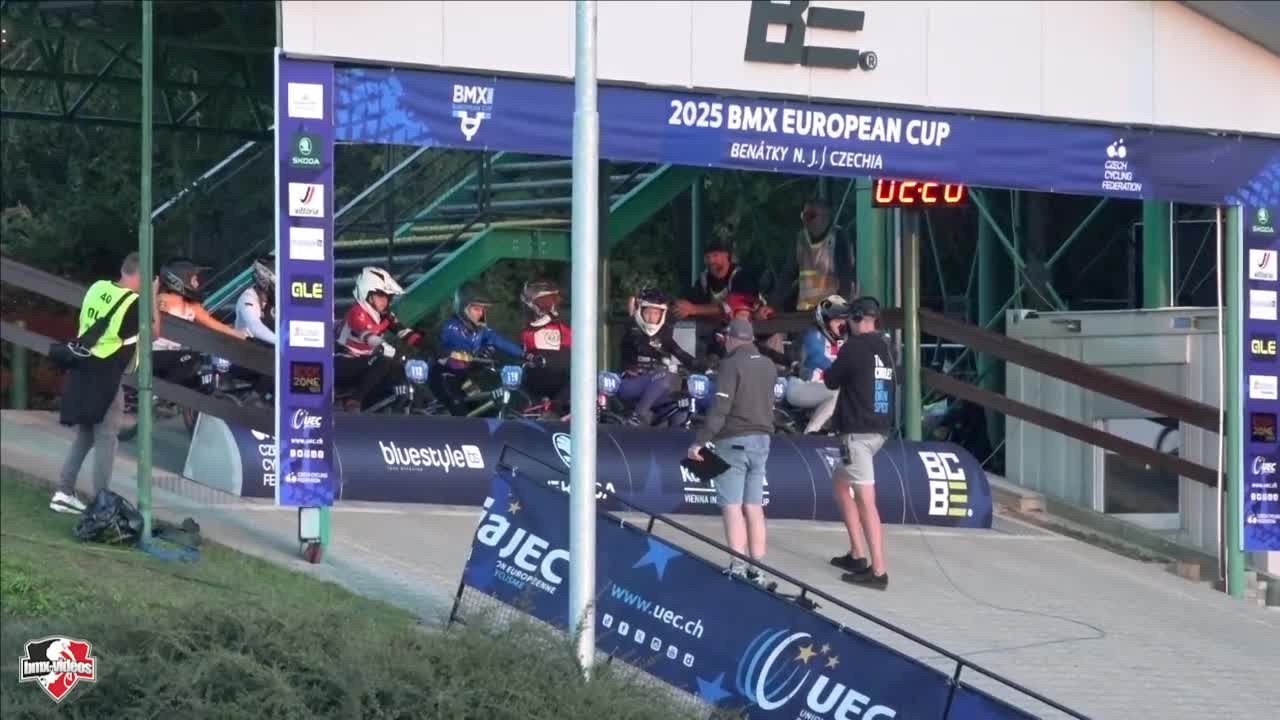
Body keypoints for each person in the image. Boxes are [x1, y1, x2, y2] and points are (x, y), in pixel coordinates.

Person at [53, 252, 159, 514]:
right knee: (107, 439)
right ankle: (102, 503)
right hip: (106, 375)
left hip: (82, 367)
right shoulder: (134, 303)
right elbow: (154, 333)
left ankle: (64, 492)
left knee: (87, 434)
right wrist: (153, 297)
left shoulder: (97, 287)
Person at [687, 317, 778, 586]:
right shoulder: (768, 365)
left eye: (726, 338)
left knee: (732, 506)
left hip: (734, 441)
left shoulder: (730, 364)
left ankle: (737, 566)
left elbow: (720, 409)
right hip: (762, 441)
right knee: (754, 506)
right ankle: (757, 569)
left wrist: (700, 442)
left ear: (731, 339)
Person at [822, 296, 895, 590]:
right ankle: (856, 553)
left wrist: (840, 349)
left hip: (857, 433)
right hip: (880, 429)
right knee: (841, 484)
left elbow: (831, 381)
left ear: (855, 319)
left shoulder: (853, 348)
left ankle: (878, 571)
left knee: (866, 500)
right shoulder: (887, 347)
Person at [335, 266, 423, 411]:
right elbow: (366, 335)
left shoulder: (385, 315)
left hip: (366, 364)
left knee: (400, 367)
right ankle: (354, 401)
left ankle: (403, 405)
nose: (385, 301)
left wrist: (427, 345)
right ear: (367, 295)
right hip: (342, 362)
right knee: (384, 359)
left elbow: (405, 333)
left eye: (387, 297)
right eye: (381, 295)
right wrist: (383, 345)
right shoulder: (356, 313)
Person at [153, 258, 248, 388]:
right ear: (180, 280)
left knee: (199, 365)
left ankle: (168, 395)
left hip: (174, 357)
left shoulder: (193, 306)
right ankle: (160, 393)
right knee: (191, 358)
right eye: (194, 280)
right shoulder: (159, 301)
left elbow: (216, 326)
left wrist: (242, 335)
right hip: (151, 355)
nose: (197, 284)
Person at [430, 283, 523, 416]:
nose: (481, 313)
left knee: (485, 409)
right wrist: (477, 354)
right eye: (476, 309)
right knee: (459, 412)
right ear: (463, 308)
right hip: (443, 378)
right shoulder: (451, 328)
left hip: (463, 378)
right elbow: (460, 353)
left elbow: (499, 341)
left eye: (483, 309)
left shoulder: (479, 329)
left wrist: (525, 355)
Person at [618, 288, 698, 426]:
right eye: (648, 312)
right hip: (632, 384)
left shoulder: (664, 334)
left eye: (656, 313)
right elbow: (636, 345)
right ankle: (638, 416)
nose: (651, 317)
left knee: (682, 401)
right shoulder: (632, 330)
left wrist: (704, 365)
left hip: (657, 389)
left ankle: (678, 436)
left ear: (662, 314)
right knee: (665, 374)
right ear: (640, 312)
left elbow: (680, 353)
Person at [769, 199, 856, 313]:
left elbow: (846, 278)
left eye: (811, 216)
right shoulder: (800, 239)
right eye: (803, 216)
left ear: (825, 217)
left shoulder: (839, 237)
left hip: (830, 312)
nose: (806, 221)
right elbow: (787, 275)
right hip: (805, 311)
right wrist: (772, 305)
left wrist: (838, 309)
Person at [784, 294, 848, 434]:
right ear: (824, 321)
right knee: (838, 392)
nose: (842, 324)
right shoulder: (812, 336)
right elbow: (825, 364)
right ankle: (810, 433)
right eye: (837, 320)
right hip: (801, 387)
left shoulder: (842, 339)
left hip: (821, 388)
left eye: (844, 320)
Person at [519, 279, 571, 415]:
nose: (549, 306)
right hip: (537, 385)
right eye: (544, 302)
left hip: (561, 387)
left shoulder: (564, 328)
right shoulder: (527, 332)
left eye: (551, 302)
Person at [235, 255, 276, 345]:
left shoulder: (276, 300)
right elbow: (255, 327)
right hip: (247, 349)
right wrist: (281, 343)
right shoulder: (247, 298)